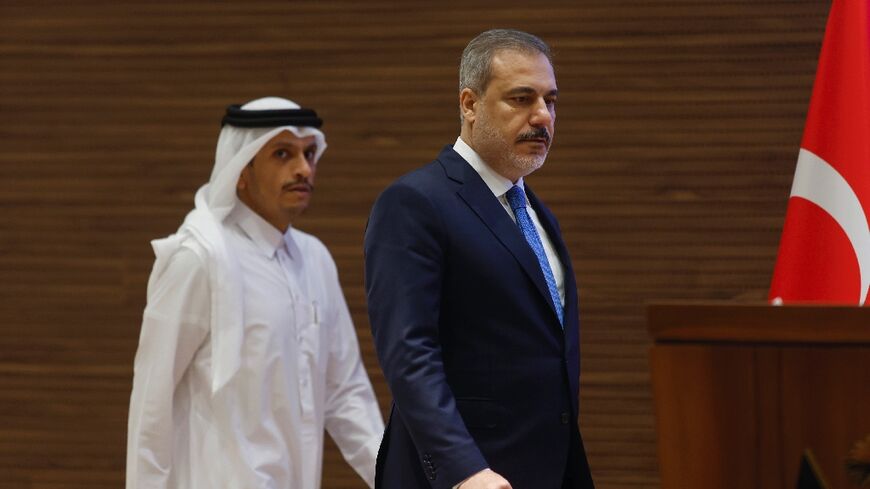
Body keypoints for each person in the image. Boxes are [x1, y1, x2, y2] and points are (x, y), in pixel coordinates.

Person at [364, 30, 594, 489]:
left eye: (551, 100)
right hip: (467, 477)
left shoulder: (536, 212)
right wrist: (463, 469)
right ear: (469, 104)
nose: (542, 117)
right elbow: (410, 355)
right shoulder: (415, 202)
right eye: (521, 98)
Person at [127, 97, 384, 489]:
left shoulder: (314, 259)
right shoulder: (198, 258)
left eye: (310, 153)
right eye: (283, 154)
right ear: (240, 171)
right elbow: (151, 403)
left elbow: (345, 393)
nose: (304, 169)